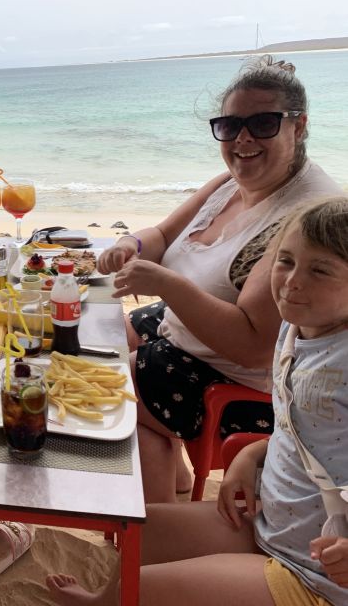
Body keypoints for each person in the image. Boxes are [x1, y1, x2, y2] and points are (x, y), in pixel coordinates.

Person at [48, 197, 348, 606]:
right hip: (270, 520)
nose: (293, 281)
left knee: (145, 589)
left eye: (320, 270)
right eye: (286, 261)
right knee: (142, 531)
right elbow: (305, 432)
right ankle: (103, 601)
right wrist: (253, 458)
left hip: (315, 574)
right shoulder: (296, 331)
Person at [97, 55, 343, 502]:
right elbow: (164, 233)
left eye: (263, 123)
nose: (243, 139)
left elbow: (252, 346)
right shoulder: (231, 182)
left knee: (103, 382)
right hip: (185, 326)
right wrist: (130, 246)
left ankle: (156, 525)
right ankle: (168, 482)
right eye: (230, 126)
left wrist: (167, 284)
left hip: (242, 383)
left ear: (299, 126)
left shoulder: (305, 216)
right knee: (94, 333)